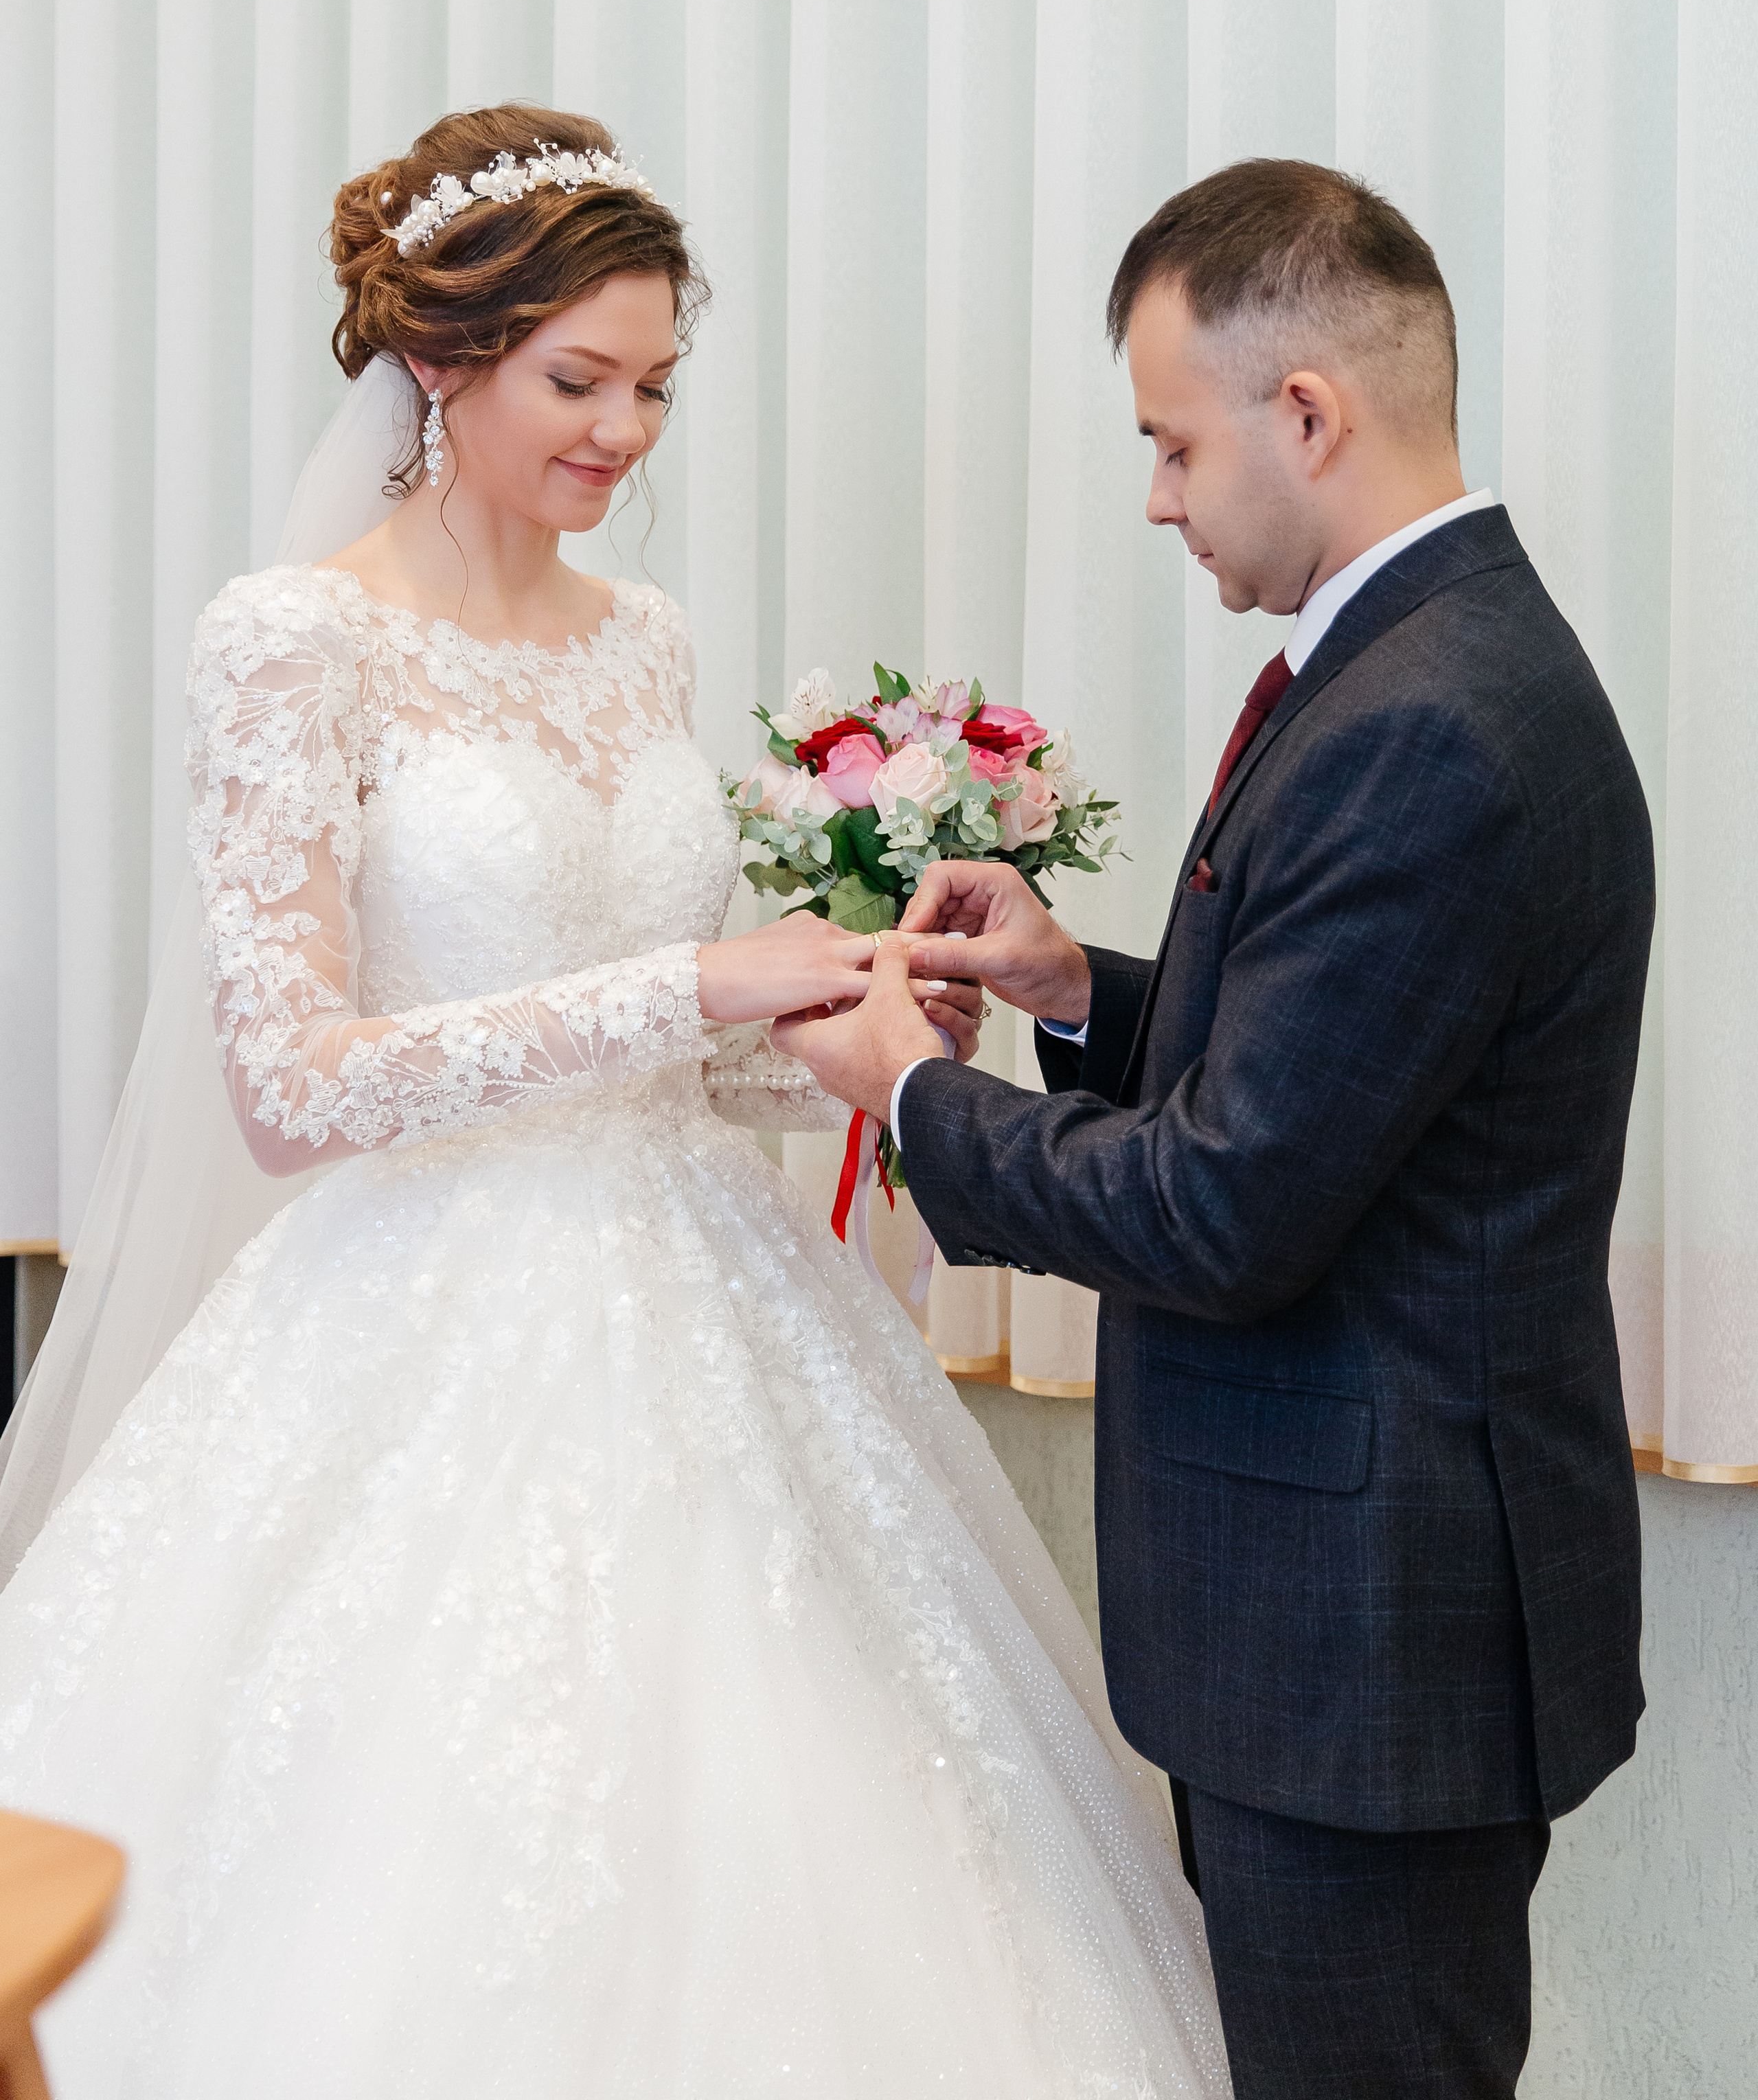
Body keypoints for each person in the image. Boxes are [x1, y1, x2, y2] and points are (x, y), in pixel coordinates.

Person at [0, 104, 1231, 2100]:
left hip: (710, 1292)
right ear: (438, 360)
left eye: (656, 386)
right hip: (416, 1328)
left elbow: (677, 1046)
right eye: (582, 381)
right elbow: (294, 1083)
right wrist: (692, 978)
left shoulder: (634, 641)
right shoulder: (293, 639)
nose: (627, 435)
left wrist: (861, 1012)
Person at [779, 158, 1654, 2100]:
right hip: (1338, 1630)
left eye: (1173, 445)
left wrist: (911, 1093)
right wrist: (1079, 988)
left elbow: (1233, 1207)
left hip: (1367, 1650)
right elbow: (1339, 1076)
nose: (1159, 497)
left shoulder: (1431, 718)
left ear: (1310, 414)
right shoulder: (1426, 663)